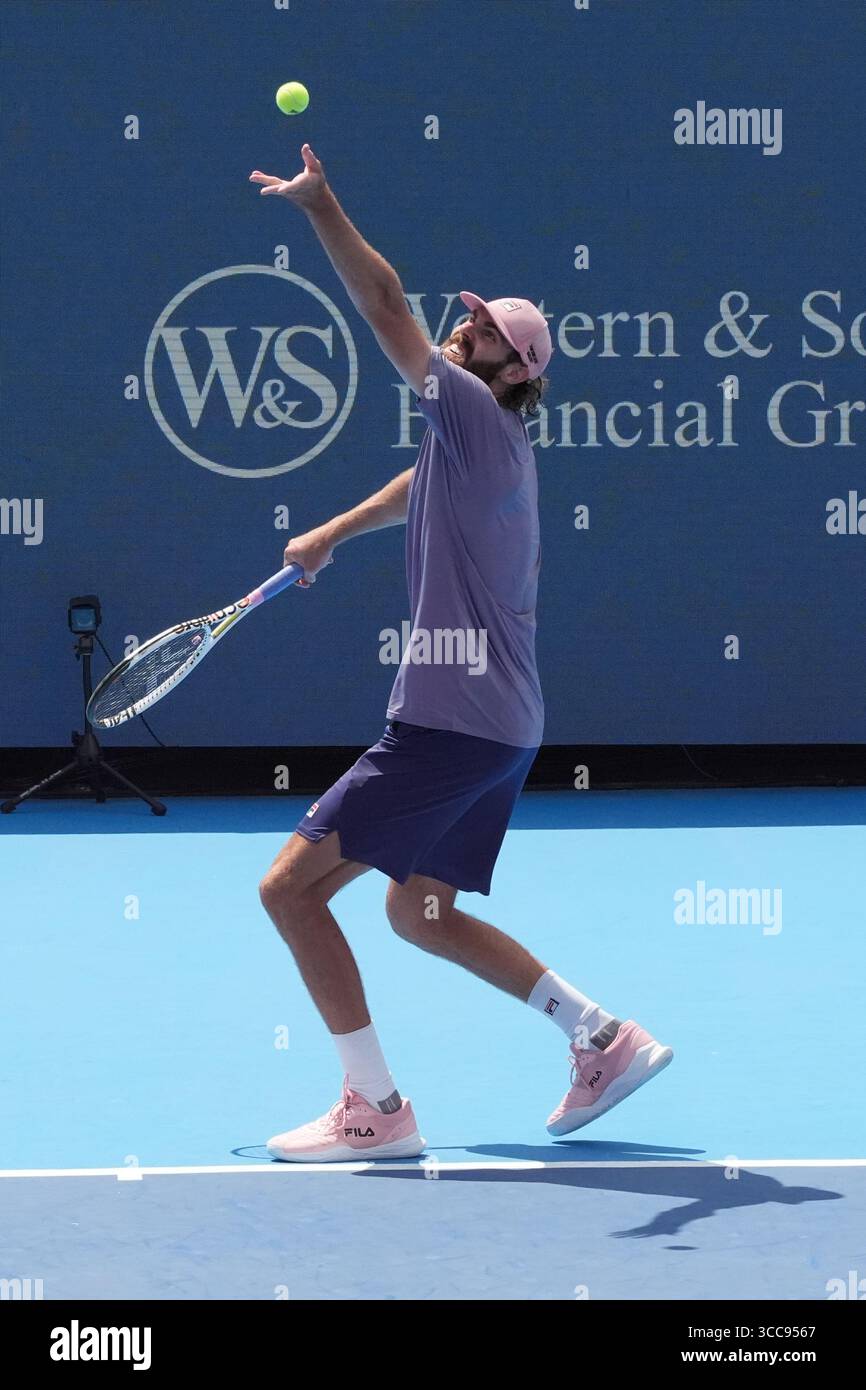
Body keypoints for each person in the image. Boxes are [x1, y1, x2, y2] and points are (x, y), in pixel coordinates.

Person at [249, 146, 672, 1162]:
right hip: (499, 729)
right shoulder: (479, 442)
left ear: (504, 373)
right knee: (420, 910)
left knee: (289, 891)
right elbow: (410, 486)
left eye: (484, 332)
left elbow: (385, 299)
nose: (464, 326)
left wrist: (320, 206)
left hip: (449, 723)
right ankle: (600, 1038)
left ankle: (376, 1110)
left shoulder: (474, 412)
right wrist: (328, 536)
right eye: (471, 316)